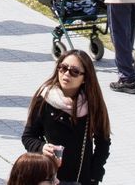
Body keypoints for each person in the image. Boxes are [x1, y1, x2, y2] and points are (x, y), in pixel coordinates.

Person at [21, 50, 110, 185]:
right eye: (63, 68)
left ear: (85, 78)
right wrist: (42, 147)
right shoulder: (45, 98)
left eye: (74, 71)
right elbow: (28, 137)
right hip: (49, 176)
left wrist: (94, 176)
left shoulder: (92, 103)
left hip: (82, 178)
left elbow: (103, 141)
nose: (66, 74)